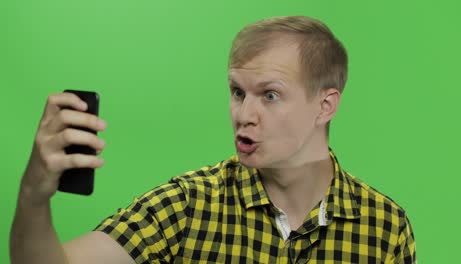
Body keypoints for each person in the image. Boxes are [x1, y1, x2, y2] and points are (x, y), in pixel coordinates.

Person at [10, 16, 416, 263]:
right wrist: (33, 193)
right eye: (238, 92)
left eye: (269, 95)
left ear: (325, 106)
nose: (243, 115)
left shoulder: (386, 227)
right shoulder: (187, 204)